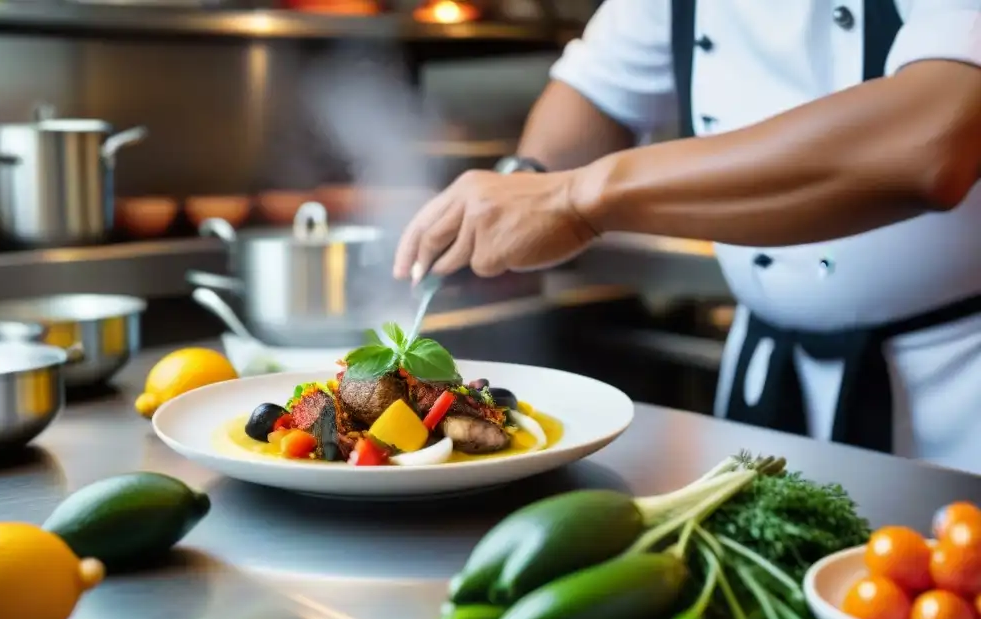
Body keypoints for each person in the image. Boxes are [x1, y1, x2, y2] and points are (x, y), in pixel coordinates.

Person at [393, 0, 981, 473]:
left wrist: (578, 201)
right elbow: (594, 93)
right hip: (769, 383)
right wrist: (525, 183)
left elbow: (932, 143)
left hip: (953, 398)